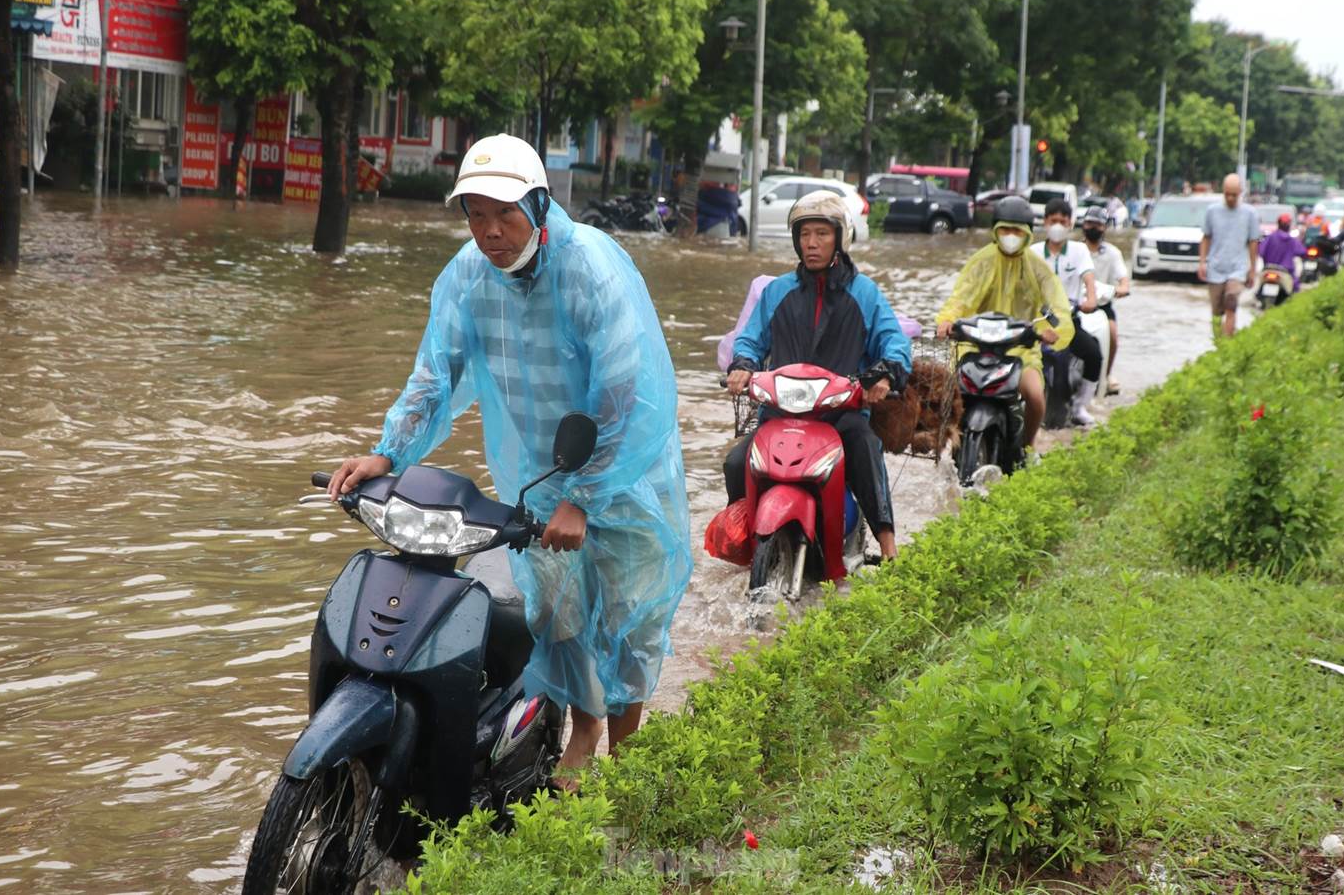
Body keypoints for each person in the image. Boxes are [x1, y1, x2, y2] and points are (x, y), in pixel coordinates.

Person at [326, 133, 691, 782]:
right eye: (476, 213)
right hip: (543, 478)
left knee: (628, 616)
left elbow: (625, 395)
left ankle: (626, 749)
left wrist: (588, 494)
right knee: (559, 613)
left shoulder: (591, 271)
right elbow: (436, 376)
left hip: (625, 475)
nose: (490, 231)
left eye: (505, 213)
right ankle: (584, 730)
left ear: (540, 206)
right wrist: (388, 454)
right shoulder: (469, 275)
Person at [724, 192, 911, 560]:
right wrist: (743, 365)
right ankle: (745, 547)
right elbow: (749, 338)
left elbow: (894, 341)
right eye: (804, 234)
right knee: (735, 462)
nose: (811, 243)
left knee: (865, 447)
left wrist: (885, 374)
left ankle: (888, 545)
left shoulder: (865, 293)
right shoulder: (776, 291)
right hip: (780, 416)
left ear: (840, 238)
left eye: (822, 234)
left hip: (840, 416)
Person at [934, 195, 1074, 452]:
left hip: (1020, 348)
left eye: (1017, 230)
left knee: (1034, 396)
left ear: (1027, 234)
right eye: (1005, 229)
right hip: (975, 346)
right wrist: (946, 320)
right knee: (949, 393)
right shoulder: (980, 261)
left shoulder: (1038, 267)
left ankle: (1028, 447)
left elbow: (1057, 305)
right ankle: (949, 445)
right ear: (996, 231)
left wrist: (1053, 330)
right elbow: (960, 298)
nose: (1011, 235)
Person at [1031, 199, 1101, 426]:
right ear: (1045, 222)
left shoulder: (1079, 251)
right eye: (1053, 221)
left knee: (1093, 353)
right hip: (1039, 322)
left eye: (1063, 221)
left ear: (1070, 223)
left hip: (1068, 320)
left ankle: (1080, 406)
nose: (1058, 225)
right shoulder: (1032, 253)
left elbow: (1088, 278)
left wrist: (1090, 299)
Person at [1197, 174, 1260, 342]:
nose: (1231, 198)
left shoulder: (1250, 213)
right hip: (1215, 268)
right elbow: (1206, 238)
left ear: (1240, 192)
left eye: (1234, 194)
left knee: (1231, 304)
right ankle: (1219, 345)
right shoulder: (1212, 211)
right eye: (1227, 194)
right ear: (1223, 192)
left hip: (1237, 269)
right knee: (1217, 313)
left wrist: (1252, 270)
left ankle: (1228, 344)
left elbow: (1253, 242)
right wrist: (1202, 262)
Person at [1082, 206, 1130, 394]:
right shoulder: (1075, 251)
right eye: (1089, 223)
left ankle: (1107, 375)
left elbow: (1124, 280)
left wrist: (1122, 289)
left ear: (1105, 227)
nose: (1093, 228)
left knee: (1112, 334)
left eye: (1098, 224)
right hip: (1076, 305)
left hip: (1102, 307)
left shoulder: (1112, 253)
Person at [1257, 211, 1307, 295]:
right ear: (1289, 225)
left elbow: (1260, 251)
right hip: (1285, 272)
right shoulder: (1292, 240)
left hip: (1268, 269)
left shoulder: (1270, 237)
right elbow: (1302, 251)